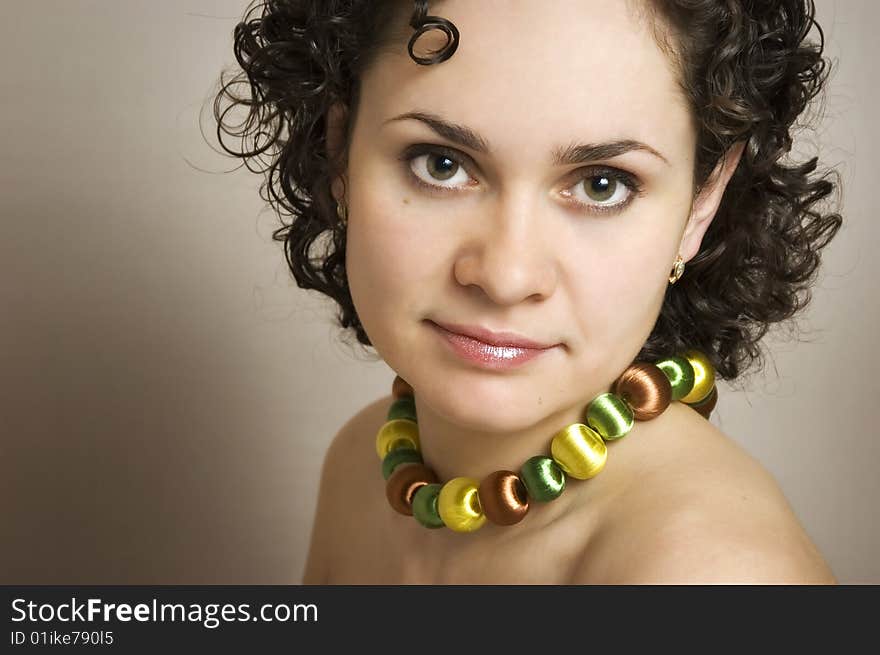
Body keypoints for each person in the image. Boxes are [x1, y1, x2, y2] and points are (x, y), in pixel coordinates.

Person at [214, 0, 841, 584]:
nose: (505, 276)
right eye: (441, 163)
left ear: (702, 205)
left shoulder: (710, 578)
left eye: (602, 184)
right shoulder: (360, 463)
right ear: (340, 155)